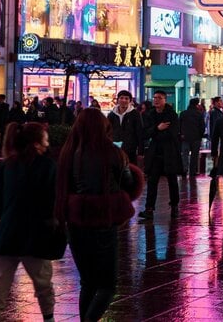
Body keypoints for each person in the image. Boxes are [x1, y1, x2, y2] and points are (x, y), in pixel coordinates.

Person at [56, 108, 143, 322]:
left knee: (88, 282)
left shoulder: (69, 153)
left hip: (76, 221)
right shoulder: (113, 152)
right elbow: (129, 182)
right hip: (103, 221)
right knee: (107, 285)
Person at [0, 123, 60, 322]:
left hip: (7, 234)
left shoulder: (7, 165)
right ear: (36, 143)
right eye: (45, 139)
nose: (47, 143)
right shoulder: (48, 166)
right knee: (43, 284)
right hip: (36, 234)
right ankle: (48, 318)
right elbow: (53, 200)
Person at [138, 91, 182, 220]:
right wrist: (157, 129)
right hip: (155, 153)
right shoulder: (150, 114)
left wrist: (155, 133)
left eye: (159, 98)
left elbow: (171, 133)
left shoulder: (171, 115)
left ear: (165, 100)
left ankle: (174, 206)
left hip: (169, 152)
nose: (156, 100)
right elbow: (145, 133)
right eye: (155, 97)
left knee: (172, 181)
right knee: (152, 181)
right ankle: (149, 209)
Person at [107, 90, 143, 164]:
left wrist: (140, 150)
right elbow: (108, 131)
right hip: (115, 148)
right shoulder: (111, 115)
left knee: (130, 170)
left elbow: (140, 132)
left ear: (130, 101)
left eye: (126, 98)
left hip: (130, 149)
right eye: (121, 98)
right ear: (118, 100)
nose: (124, 100)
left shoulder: (135, 114)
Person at [180, 98, 206, 178]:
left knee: (185, 155)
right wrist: (200, 135)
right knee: (194, 156)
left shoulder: (183, 113)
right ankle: (192, 172)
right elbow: (202, 127)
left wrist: (181, 134)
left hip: (185, 137)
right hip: (196, 138)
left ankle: (184, 170)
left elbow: (179, 124)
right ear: (196, 104)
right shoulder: (199, 114)